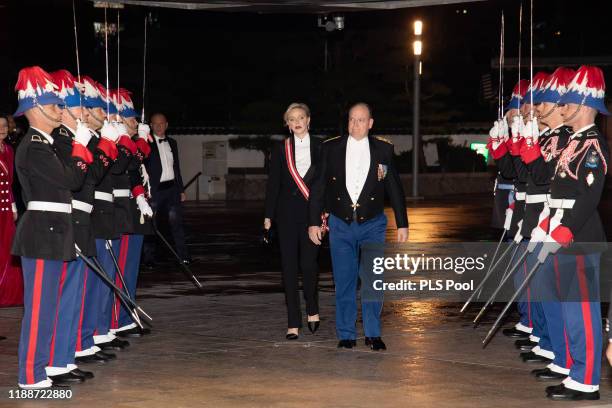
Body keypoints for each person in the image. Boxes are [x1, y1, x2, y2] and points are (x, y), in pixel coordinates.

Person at [12, 66, 92, 389]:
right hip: (42, 232)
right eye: (55, 104)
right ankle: (30, 375)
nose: (61, 109)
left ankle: (43, 367)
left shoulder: (44, 143)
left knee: (50, 307)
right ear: (36, 108)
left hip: (54, 230)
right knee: (39, 310)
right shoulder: (33, 145)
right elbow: (71, 180)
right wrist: (82, 147)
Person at [535, 65, 609, 401]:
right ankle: (576, 370)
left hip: (579, 237)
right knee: (568, 308)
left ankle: (587, 380)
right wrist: (546, 222)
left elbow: (589, 196)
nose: (562, 106)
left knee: (582, 310)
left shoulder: (592, 144)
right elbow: (559, 190)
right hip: (562, 231)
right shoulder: (574, 141)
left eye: (568, 102)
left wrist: (564, 228)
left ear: (584, 105)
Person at [308, 103, 408, 351]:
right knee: (344, 280)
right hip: (340, 223)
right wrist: (313, 222)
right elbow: (318, 187)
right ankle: (346, 334)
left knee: (374, 280)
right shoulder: (330, 148)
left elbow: (394, 187)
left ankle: (373, 334)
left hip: (373, 223)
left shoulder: (384, 149)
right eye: (352, 119)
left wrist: (402, 223)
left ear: (371, 123)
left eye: (361, 120)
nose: (356, 124)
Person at [264, 103, 321, 339]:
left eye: (300, 117)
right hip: (286, 214)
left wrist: (325, 211)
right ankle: (293, 322)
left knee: (308, 266)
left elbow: (326, 181)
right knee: (288, 269)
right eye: (291, 119)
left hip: (312, 215)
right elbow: (273, 184)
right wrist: (268, 215)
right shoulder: (281, 149)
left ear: (308, 120)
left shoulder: (321, 146)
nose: (296, 122)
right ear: (287, 124)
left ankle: (313, 308)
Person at [143, 112, 190, 265]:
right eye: (155, 124)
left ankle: (183, 256)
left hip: (172, 189)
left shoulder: (173, 143)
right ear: (151, 125)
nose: (158, 126)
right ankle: (149, 259)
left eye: (161, 123)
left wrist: (181, 189)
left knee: (176, 224)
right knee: (152, 225)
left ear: (167, 125)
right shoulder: (146, 143)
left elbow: (177, 168)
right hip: (155, 190)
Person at [0, 113, 23, 307]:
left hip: (6, 207)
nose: (2, 129)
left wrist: (13, 205)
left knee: (7, 249)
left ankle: (6, 292)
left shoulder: (8, 149)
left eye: (5, 126)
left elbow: (10, 183)